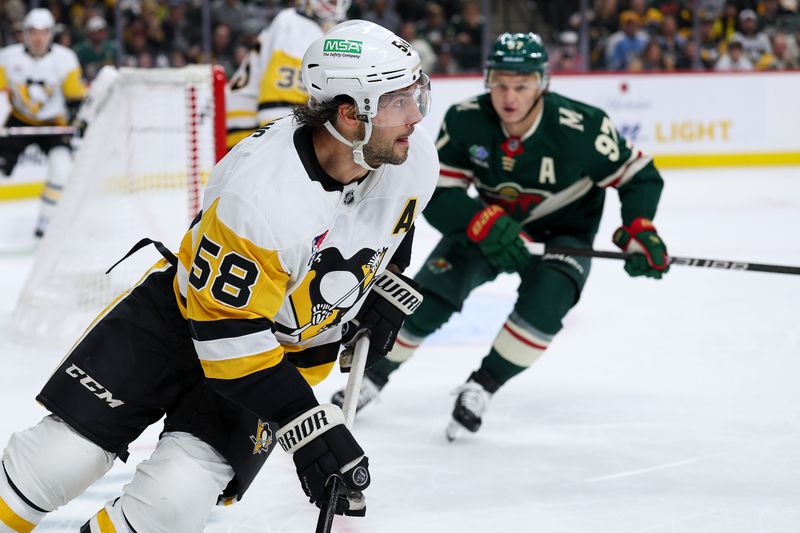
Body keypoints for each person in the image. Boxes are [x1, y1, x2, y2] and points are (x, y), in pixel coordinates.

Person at [0, 20, 436, 532]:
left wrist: (380, 288)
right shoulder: (263, 195)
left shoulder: (412, 158)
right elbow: (228, 338)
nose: (416, 116)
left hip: (282, 350)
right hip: (186, 323)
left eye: (417, 93)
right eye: (397, 101)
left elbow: (390, 232)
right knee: (57, 459)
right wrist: (307, 426)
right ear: (348, 113)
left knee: (173, 502)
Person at [333, 32, 669, 441]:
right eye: (501, 85)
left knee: (546, 306)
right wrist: (480, 220)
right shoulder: (466, 119)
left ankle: (483, 386)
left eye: (522, 86)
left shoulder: (581, 127)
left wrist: (640, 227)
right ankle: (375, 378)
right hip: (490, 226)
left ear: (542, 84)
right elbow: (436, 189)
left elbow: (639, 175)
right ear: (489, 81)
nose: (509, 97)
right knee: (428, 295)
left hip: (564, 235)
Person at [0, 8, 86, 238]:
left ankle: (45, 224)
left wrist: (80, 119)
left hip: (54, 123)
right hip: (19, 120)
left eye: (44, 32)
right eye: (33, 32)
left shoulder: (65, 59)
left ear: (51, 34)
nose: (38, 37)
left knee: (62, 169)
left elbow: (75, 98)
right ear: (24, 34)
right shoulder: (7, 58)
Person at [225, 0, 351, 149]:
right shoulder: (294, 25)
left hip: (252, 124)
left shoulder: (313, 26)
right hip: (243, 127)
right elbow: (277, 111)